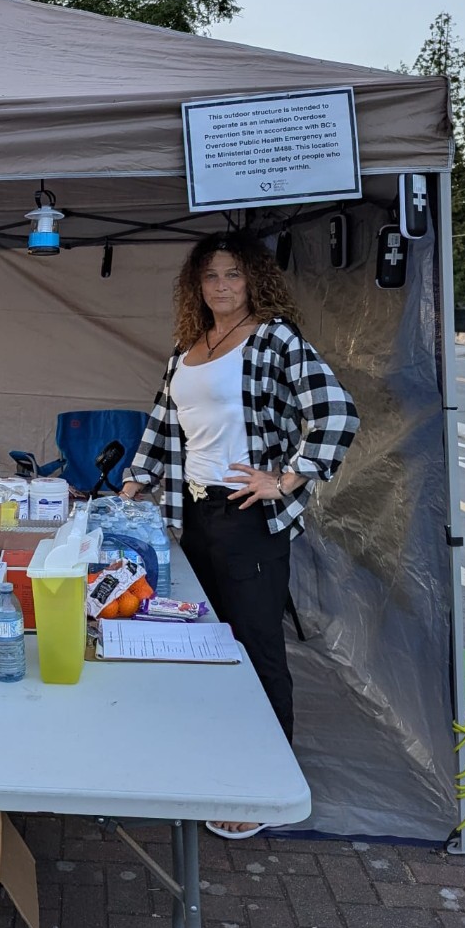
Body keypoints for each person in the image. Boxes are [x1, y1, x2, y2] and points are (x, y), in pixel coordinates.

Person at [122, 229, 358, 840]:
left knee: (257, 648)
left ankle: (265, 782)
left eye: (233, 275)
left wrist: (287, 477)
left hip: (247, 516)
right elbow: (162, 424)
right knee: (203, 642)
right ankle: (219, 757)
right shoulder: (186, 348)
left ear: (254, 278)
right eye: (210, 277)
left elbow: (337, 411)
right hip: (191, 515)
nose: (222, 287)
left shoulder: (274, 338)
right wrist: (132, 487)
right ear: (195, 286)